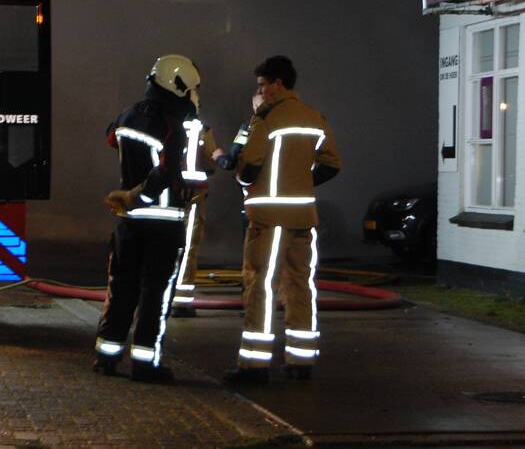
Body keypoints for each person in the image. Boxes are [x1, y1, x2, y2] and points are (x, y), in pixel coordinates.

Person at [225, 56, 340, 384]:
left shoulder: (265, 118)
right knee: (300, 284)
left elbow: (249, 167)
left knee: (261, 285)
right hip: (303, 216)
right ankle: (301, 360)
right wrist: (301, 182)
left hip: (269, 217)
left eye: (262, 85)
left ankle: (254, 364)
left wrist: (240, 174)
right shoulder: (314, 117)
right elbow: (332, 164)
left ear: (277, 84)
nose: (259, 91)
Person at [94, 54, 203, 383]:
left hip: (128, 222)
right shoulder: (172, 125)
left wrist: (130, 198)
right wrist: (140, 195)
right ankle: (145, 363)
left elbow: (111, 138)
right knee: (155, 294)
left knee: (121, 287)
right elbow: (166, 171)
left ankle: (107, 355)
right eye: (192, 89)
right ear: (179, 86)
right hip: (162, 224)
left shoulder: (126, 115)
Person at [171, 120, 218, 316]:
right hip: (195, 196)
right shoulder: (203, 130)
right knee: (189, 246)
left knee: (166, 245)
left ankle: (162, 295)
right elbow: (210, 163)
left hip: (168, 196)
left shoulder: (165, 122)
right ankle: (181, 301)